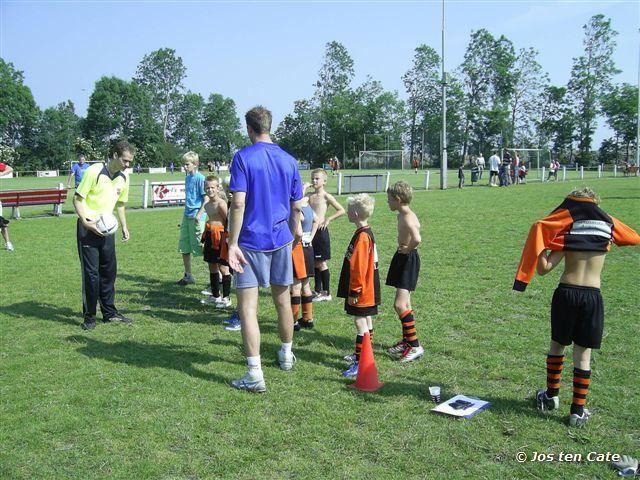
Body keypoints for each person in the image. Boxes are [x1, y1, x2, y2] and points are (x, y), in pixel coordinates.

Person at [513, 187, 640, 427]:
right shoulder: (608, 227)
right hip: (592, 296)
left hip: (566, 293)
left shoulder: (568, 230)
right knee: (583, 355)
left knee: (557, 345)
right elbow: (633, 237)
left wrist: (541, 245)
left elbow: (543, 269)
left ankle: (551, 396)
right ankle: (577, 411)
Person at [226, 106, 303, 393]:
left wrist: (232, 243)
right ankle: (285, 354)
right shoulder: (290, 160)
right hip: (281, 239)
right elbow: (297, 206)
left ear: (249, 128)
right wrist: (295, 231)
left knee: (248, 308)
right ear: (269, 126)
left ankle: (255, 373)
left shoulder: (243, 157)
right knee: (283, 301)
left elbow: (238, 203)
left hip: (249, 242)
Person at [73, 141, 133, 330]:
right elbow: (77, 198)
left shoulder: (124, 177)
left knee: (108, 272)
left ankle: (110, 313)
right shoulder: (94, 171)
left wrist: (124, 226)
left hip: (108, 230)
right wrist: (85, 221)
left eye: (130, 161)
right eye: (125, 160)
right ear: (115, 155)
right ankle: (89, 317)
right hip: (88, 228)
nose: (127, 165)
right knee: (91, 275)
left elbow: (120, 204)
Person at [337, 193, 380, 377]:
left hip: (362, 289)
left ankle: (360, 362)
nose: (346, 212)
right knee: (367, 320)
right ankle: (364, 355)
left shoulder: (363, 237)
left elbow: (359, 266)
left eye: (348, 210)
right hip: (368, 287)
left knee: (360, 322)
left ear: (354, 213)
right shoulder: (365, 232)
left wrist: (355, 290)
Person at [385, 181, 423, 363]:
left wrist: (408, 250)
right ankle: (407, 340)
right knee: (406, 304)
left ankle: (415, 345)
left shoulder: (408, 217)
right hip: (402, 257)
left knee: (400, 305)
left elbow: (417, 239)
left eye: (389, 200)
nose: (388, 203)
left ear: (398, 200)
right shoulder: (401, 214)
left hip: (408, 259)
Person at [308, 168, 346, 301]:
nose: (314, 181)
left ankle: (326, 292)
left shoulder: (326, 196)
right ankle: (318, 291)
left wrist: (328, 219)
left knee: (321, 262)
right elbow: (298, 202)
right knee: (314, 262)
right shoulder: (309, 196)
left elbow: (341, 210)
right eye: (312, 178)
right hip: (310, 232)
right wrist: (304, 187)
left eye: (317, 179)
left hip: (320, 232)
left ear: (324, 181)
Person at [197, 175, 232, 308]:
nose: (210, 190)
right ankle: (215, 295)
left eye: (212, 187)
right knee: (211, 265)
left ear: (218, 188)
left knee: (223, 267)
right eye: (207, 188)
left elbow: (227, 221)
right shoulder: (207, 205)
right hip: (210, 236)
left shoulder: (221, 204)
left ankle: (227, 297)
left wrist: (227, 238)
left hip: (221, 237)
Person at [176, 151, 206, 285]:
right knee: (184, 246)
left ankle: (218, 276)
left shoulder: (200, 178)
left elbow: (206, 199)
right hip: (187, 216)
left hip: (197, 217)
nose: (184, 167)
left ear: (195, 164)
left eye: (187, 164)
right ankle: (188, 275)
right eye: (184, 164)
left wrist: (199, 215)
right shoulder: (187, 178)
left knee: (203, 246)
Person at [291, 187, 319, 330]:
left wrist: (292, 246)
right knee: (306, 285)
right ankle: (308, 318)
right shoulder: (307, 205)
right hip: (308, 247)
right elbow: (316, 220)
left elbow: (299, 230)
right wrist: (312, 237)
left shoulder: (295, 206)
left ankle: (294, 322)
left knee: (295, 286)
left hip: (298, 249)